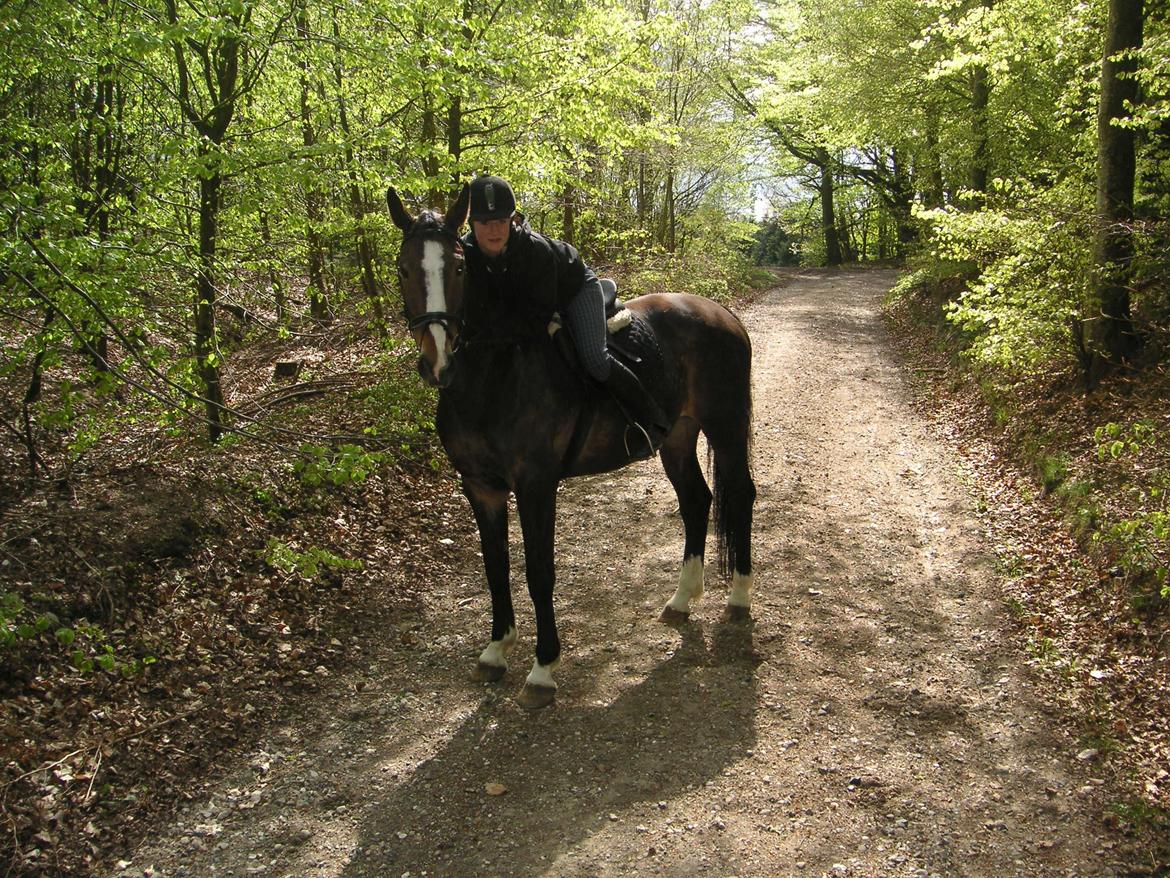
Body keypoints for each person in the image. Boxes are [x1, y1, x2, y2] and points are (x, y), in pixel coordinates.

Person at [461, 175, 670, 458]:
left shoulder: (535, 251)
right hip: (528, 301)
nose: (494, 229)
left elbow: (536, 317)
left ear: (513, 219)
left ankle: (651, 421)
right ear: (471, 224)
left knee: (595, 360)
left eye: (501, 220)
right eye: (485, 222)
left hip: (573, 289)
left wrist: (491, 328)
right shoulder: (464, 255)